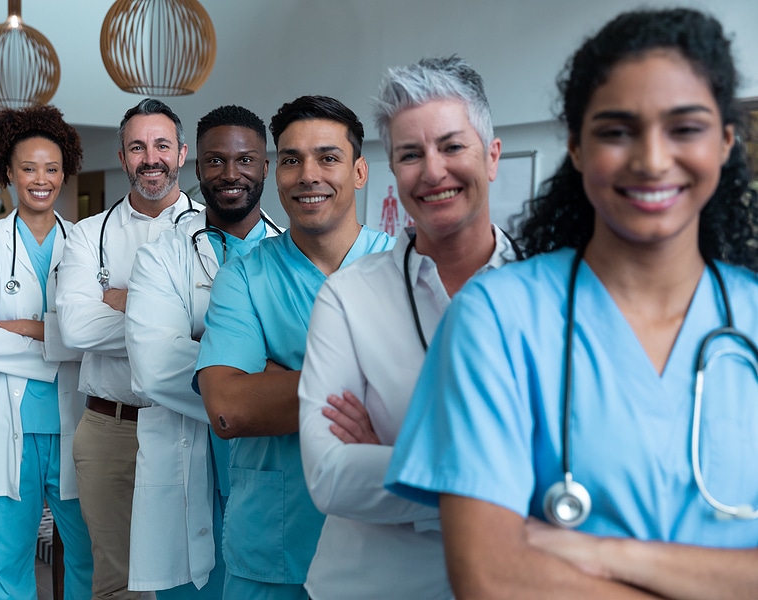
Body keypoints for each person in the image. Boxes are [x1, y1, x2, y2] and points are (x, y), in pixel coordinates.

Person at [386, 8, 758, 599]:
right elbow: (492, 579)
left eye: (685, 128)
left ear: (726, 142)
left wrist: (606, 553)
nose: (652, 160)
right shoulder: (496, 318)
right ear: (577, 149)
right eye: (616, 130)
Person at [298, 56, 518, 600]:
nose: (434, 170)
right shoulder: (349, 298)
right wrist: (498, 482)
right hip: (370, 586)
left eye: (452, 146)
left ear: (492, 156)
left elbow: (577, 468)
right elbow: (329, 475)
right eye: (411, 154)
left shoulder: (551, 295)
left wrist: (395, 461)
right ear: (394, 172)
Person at [195, 96, 394, 599]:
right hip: (274, 544)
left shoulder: (406, 269)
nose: (308, 174)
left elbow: (440, 404)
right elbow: (229, 410)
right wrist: (378, 381)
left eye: (328, 157)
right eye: (290, 159)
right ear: (275, 171)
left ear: (360, 170)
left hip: (385, 541)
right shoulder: (244, 273)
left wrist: (273, 377)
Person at [125, 105, 281, 598]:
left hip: (272, 467)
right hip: (190, 463)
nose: (230, 173)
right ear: (197, 168)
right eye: (215, 161)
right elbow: (153, 366)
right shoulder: (161, 256)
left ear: (265, 167)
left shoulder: (293, 253)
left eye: (245, 160)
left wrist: (210, 353)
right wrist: (267, 375)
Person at [56, 98, 203, 600]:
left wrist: (120, 301)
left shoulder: (215, 229)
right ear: (122, 158)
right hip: (107, 429)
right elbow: (75, 329)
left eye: (162, 145)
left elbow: (227, 330)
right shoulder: (87, 234)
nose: (151, 157)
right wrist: (175, 317)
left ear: (182, 153)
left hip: (187, 424)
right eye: (137, 147)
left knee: (191, 571)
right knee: (115, 580)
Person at [0, 105, 93, 599]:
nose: (41, 179)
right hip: (5, 431)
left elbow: (100, 333)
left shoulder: (85, 244)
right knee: (7, 563)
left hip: (76, 428)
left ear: (63, 173)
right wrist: (64, 344)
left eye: (51, 169)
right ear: (8, 172)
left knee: (87, 559)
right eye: (28, 168)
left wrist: (32, 329)